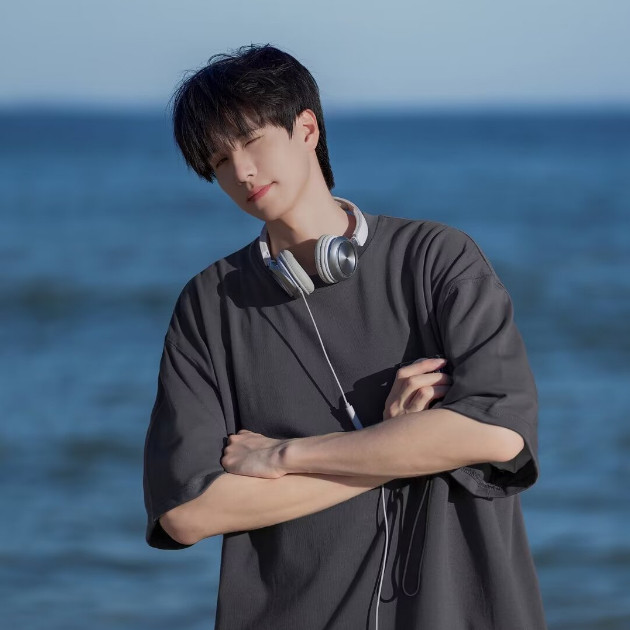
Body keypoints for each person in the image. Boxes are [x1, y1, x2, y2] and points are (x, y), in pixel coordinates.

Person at [143, 44, 547, 629]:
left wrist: (285, 456)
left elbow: (498, 433)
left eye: (252, 141)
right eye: (220, 159)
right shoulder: (208, 306)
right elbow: (188, 512)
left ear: (307, 128)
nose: (242, 172)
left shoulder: (436, 259)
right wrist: (400, 447)